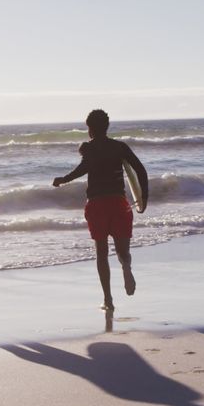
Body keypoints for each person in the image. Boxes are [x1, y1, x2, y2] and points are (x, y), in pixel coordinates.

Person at [52, 109, 148, 311]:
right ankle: (126, 266)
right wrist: (143, 197)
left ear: (90, 128)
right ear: (107, 126)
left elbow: (83, 169)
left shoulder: (89, 148)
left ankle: (108, 299)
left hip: (97, 204)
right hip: (119, 203)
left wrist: (63, 179)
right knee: (123, 250)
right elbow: (140, 170)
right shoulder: (119, 147)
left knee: (102, 253)